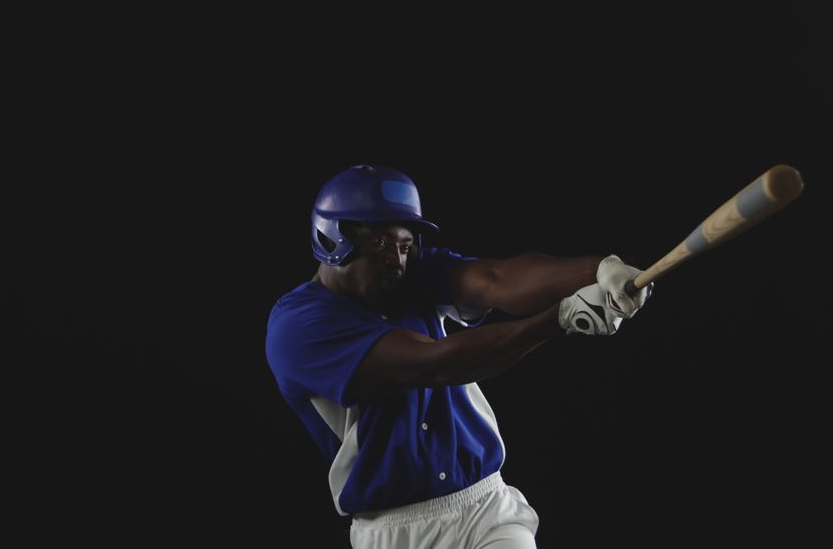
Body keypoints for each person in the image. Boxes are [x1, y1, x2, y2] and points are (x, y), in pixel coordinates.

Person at [265, 164, 652, 549]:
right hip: (393, 531)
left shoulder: (412, 272)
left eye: (404, 245)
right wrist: (561, 318)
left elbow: (497, 280)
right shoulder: (298, 328)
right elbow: (436, 363)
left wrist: (597, 269)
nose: (396, 261)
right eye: (380, 242)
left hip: (484, 507)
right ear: (334, 237)